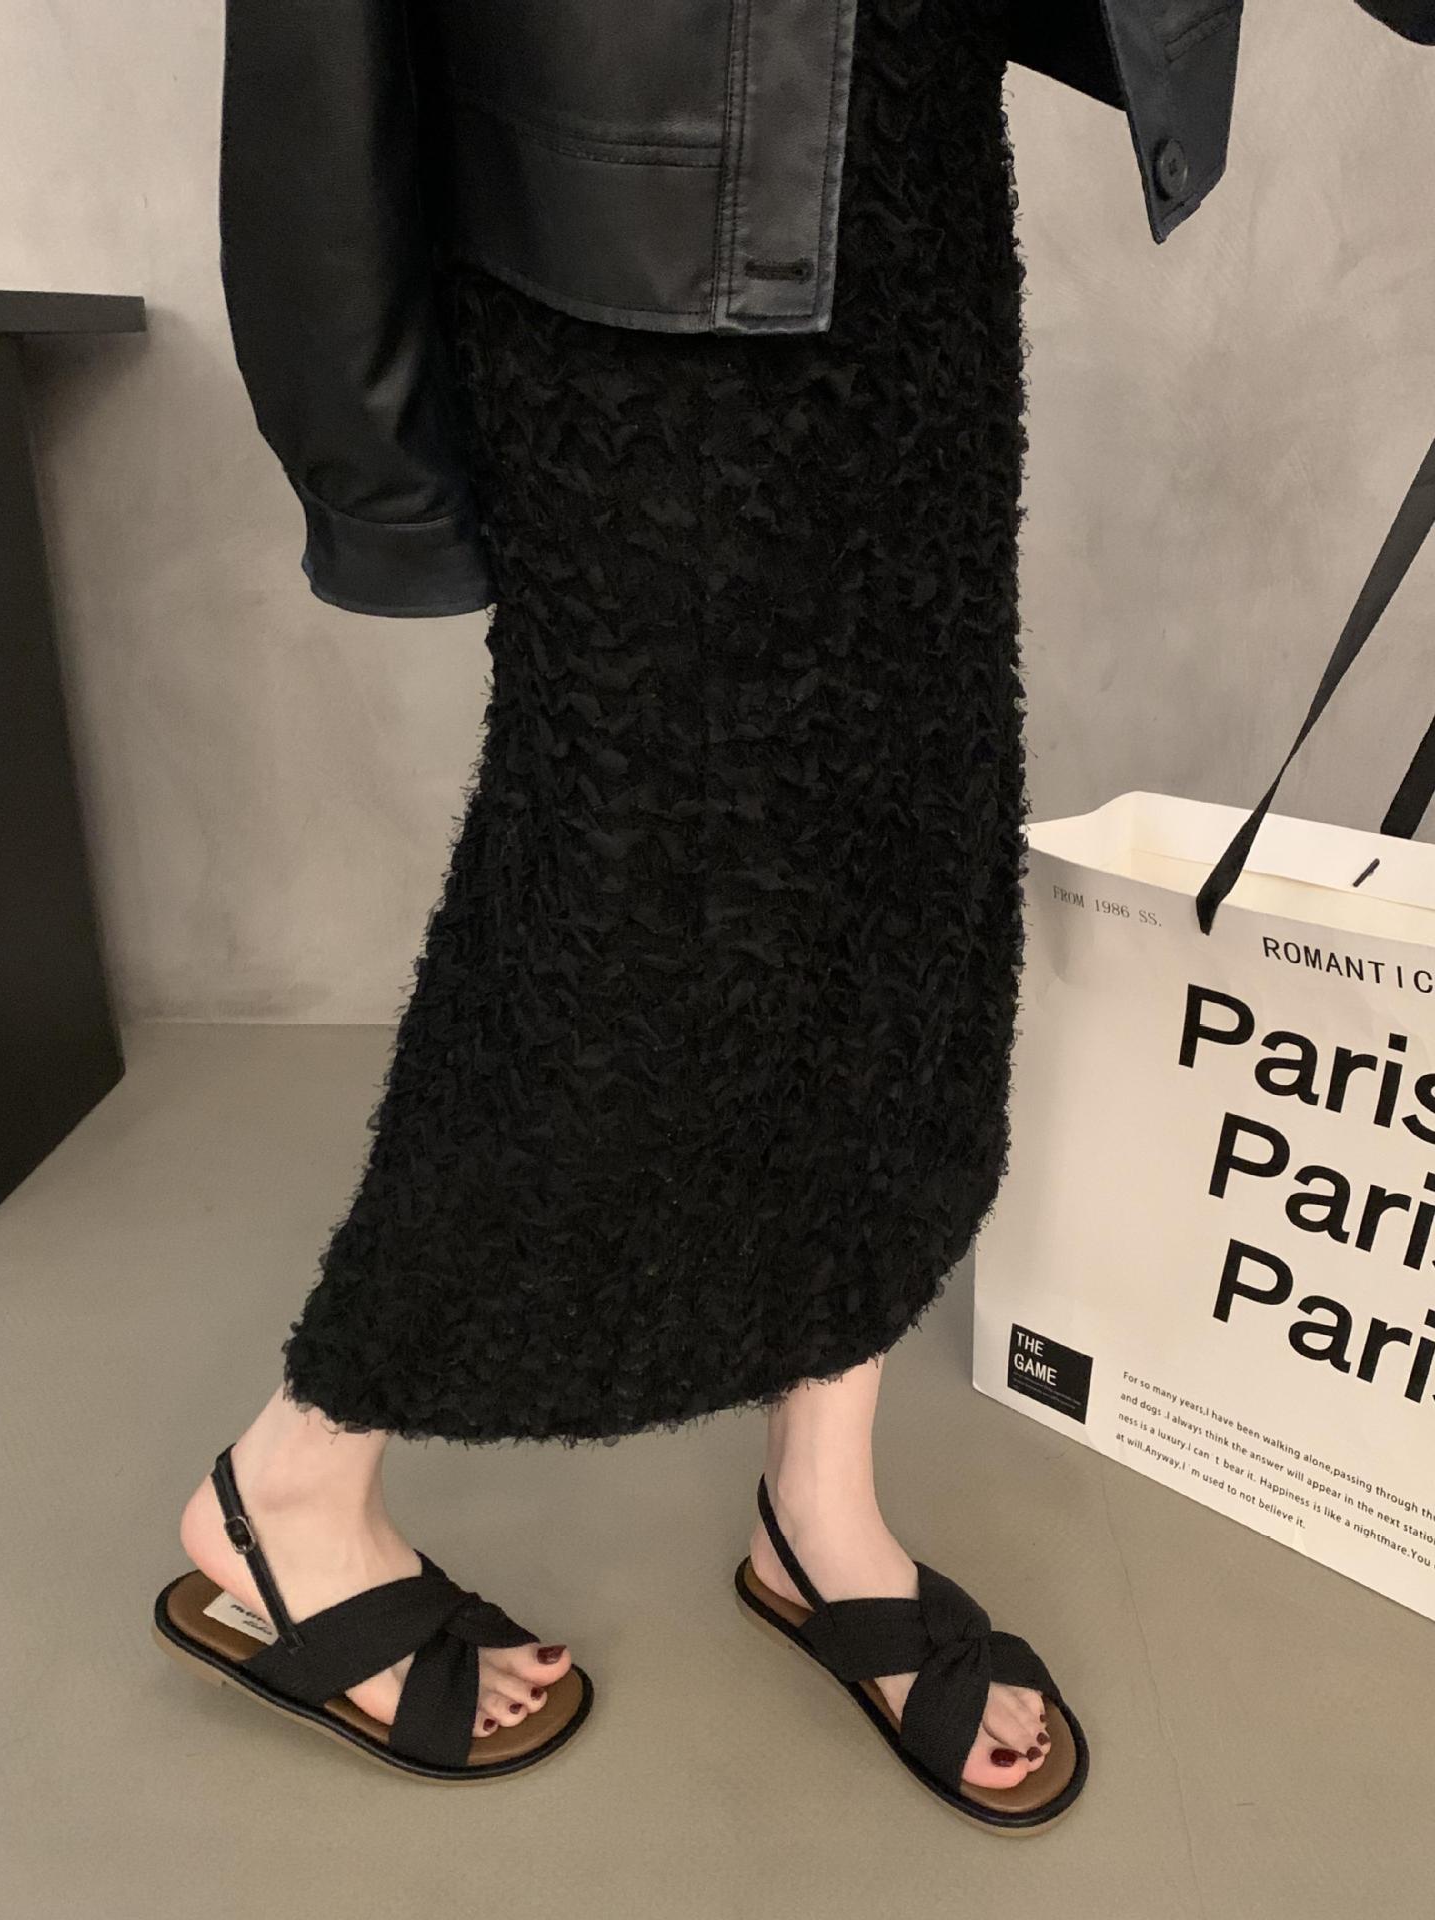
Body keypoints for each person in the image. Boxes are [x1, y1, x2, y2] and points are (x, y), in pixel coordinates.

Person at [155, 0, 1110, 1824]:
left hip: (914, 167)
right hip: (634, 221)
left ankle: (821, 1505)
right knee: (634, 899)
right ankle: (289, 1483)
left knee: (909, 850)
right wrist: (366, 447)